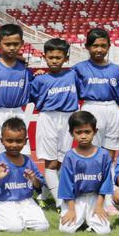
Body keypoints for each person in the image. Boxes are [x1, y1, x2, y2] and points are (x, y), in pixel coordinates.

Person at [29, 38, 80, 208]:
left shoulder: (73, 74)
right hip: (48, 118)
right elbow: (31, 96)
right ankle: (61, 203)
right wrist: (35, 74)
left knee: (60, 162)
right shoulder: (40, 79)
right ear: (44, 57)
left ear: (66, 58)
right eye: (51, 57)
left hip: (68, 119)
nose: (54, 60)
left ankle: (43, 197)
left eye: (59, 57)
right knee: (50, 163)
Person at [0, 117, 49, 233]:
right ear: (2, 140)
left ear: (25, 141)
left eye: (19, 141)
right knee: (14, 228)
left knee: (42, 226)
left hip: (26, 201)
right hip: (2, 201)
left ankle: (20, 217)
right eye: (9, 141)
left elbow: (39, 186)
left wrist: (33, 179)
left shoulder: (28, 161)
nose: (14, 145)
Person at [73, 28, 119, 158]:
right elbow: (67, 86)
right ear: (87, 47)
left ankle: (108, 176)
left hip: (112, 109)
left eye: (103, 46)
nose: (99, 49)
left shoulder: (116, 70)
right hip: (90, 109)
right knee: (91, 150)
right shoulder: (79, 68)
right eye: (95, 46)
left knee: (111, 151)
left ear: (109, 46)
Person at [57, 111, 114, 235]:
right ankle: (82, 219)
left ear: (95, 131)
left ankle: (88, 219)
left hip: (95, 198)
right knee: (66, 229)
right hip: (75, 199)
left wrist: (99, 206)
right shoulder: (70, 157)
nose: (83, 136)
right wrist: (71, 209)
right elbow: (66, 186)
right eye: (79, 132)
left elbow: (105, 183)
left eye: (87, 132)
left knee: (104, 231)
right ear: (71, 133)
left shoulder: (103, 155)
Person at [0, 24, 31, 153]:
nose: (12, 48)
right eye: (7, 44)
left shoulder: (24, 68)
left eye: (16, 44)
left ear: (22, 43)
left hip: (18, 113)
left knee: (23, 155)